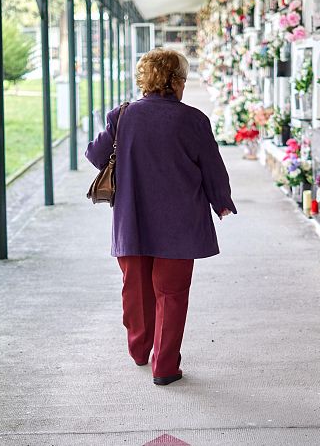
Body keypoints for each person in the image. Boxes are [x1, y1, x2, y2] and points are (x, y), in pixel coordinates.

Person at [85, 48, 236, 386]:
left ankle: (140, 350)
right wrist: (221, 201)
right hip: (179, 223)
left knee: (135, 291)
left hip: (132, 220)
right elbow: (212, 168)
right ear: (177, 82)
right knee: (171, 294)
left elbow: (95, 155)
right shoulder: (194, 120)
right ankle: (164, 366)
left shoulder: (121, 116)